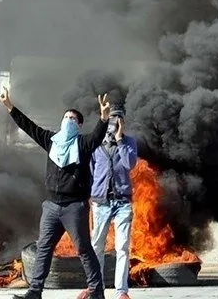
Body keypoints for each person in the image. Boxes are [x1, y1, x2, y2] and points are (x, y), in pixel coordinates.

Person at [1, 87, 109, 299]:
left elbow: (97, 137)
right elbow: (29, 127)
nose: (68, 120)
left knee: (84, 249)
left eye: (72, 118)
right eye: (66, 116)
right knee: (43, 249)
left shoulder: (83, 144)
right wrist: (9, 107)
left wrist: (104, 119)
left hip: (74, 207)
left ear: (79, 125)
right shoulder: (52, 141)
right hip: (51, 206)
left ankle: (96, 291)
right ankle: (34, 291)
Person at [90, 104, 138, 299]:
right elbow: (92, 172)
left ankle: (121, 291)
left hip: (122, 203)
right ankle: (96, 287)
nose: (114, 123)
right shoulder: (95, 144)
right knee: (97, 247)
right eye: (111, 118)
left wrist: (119, 141)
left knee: (122, 247)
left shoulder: (129, 142)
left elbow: (130, 164)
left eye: (118, 119)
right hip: (100, 203)